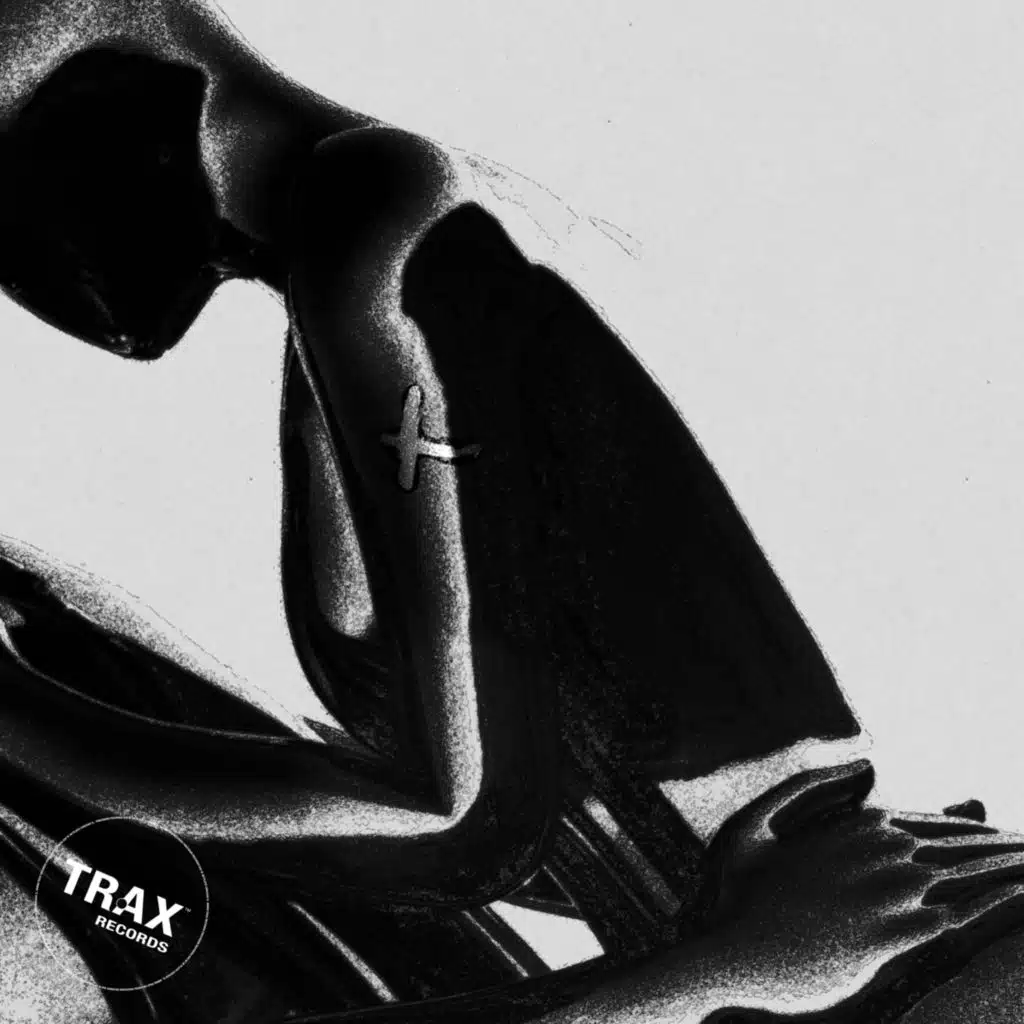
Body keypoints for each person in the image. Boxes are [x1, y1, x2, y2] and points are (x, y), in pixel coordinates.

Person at [0, 1, 1023, 1021]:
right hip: (827, 934)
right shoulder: (361, 272)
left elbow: (454, 820)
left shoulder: (378, 235)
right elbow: (501, 805)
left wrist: (27, 731)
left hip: (872, 952)